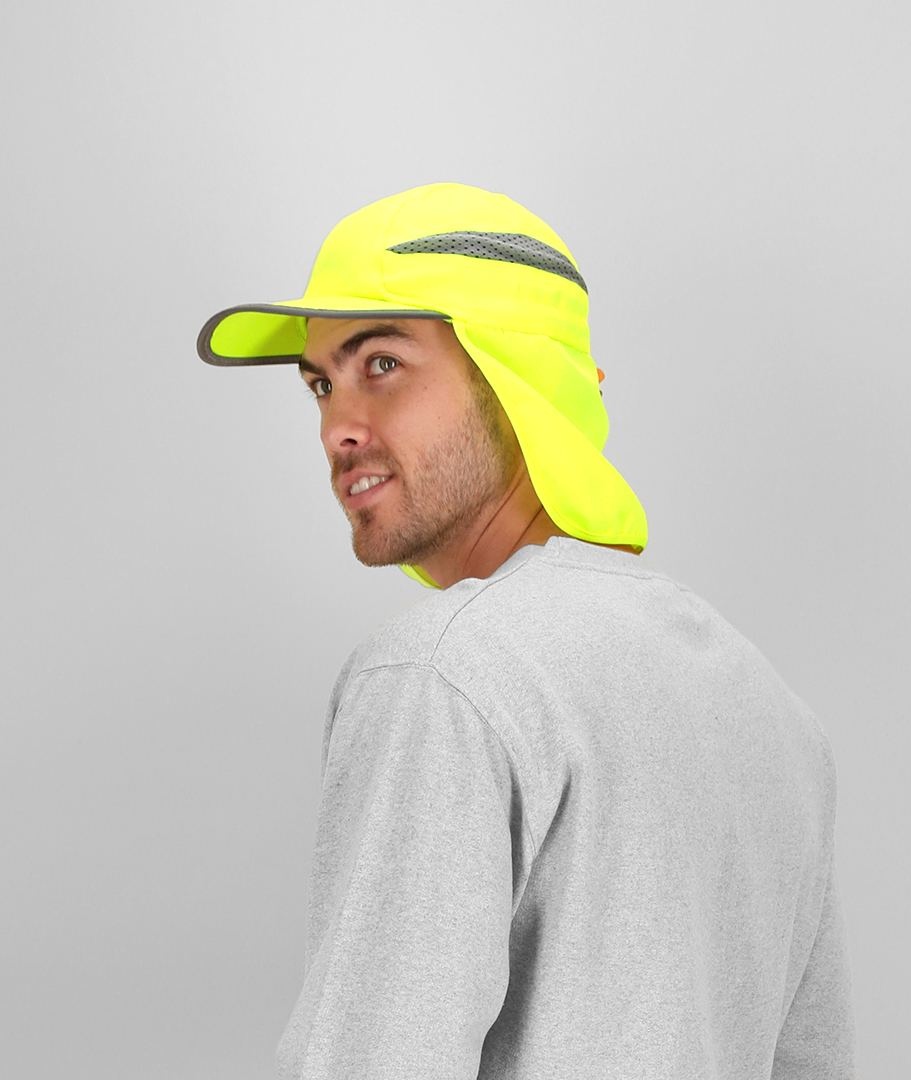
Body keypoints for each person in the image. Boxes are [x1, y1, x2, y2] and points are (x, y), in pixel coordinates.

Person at [196, 182, 855, 1079]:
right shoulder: (772, 714)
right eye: (321, 385)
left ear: (515, 377)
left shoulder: (443, 676)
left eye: (381, 363)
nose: (337, 428)